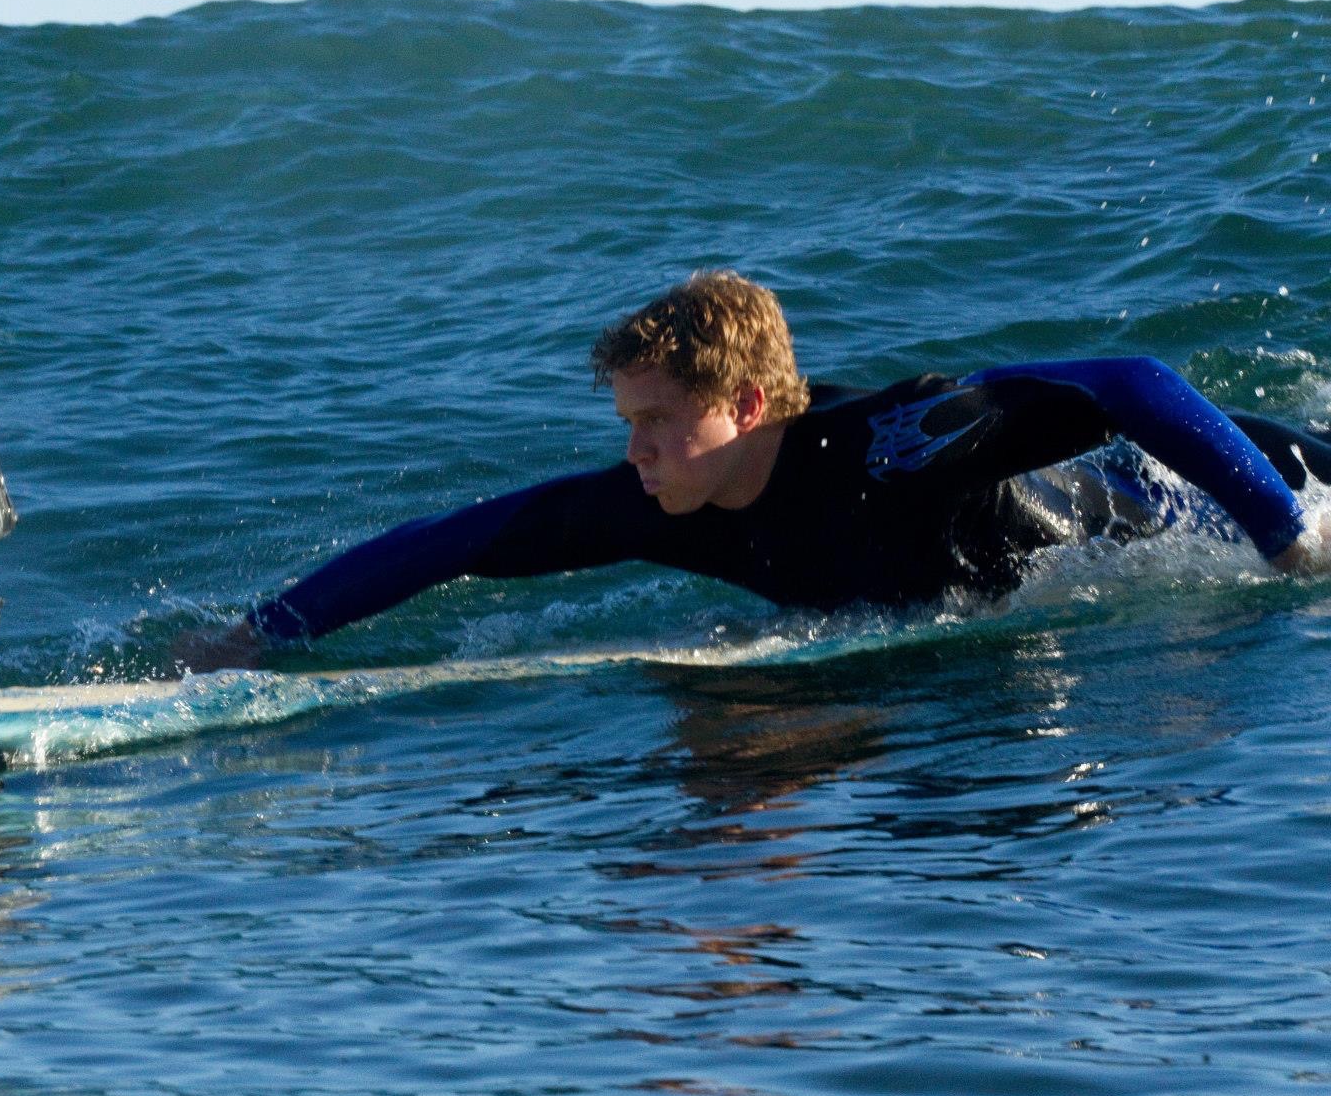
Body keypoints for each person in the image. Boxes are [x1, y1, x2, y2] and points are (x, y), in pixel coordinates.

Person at [178, 270, 1331, 671]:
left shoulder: (897, 436)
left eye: (655, 422)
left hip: (1171, 495)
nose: (631, 451)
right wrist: (266, 632)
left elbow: (1129, 381)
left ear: (743, 406)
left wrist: (1286, 540)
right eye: (626, 422)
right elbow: (462, 538)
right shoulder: (662, 504)